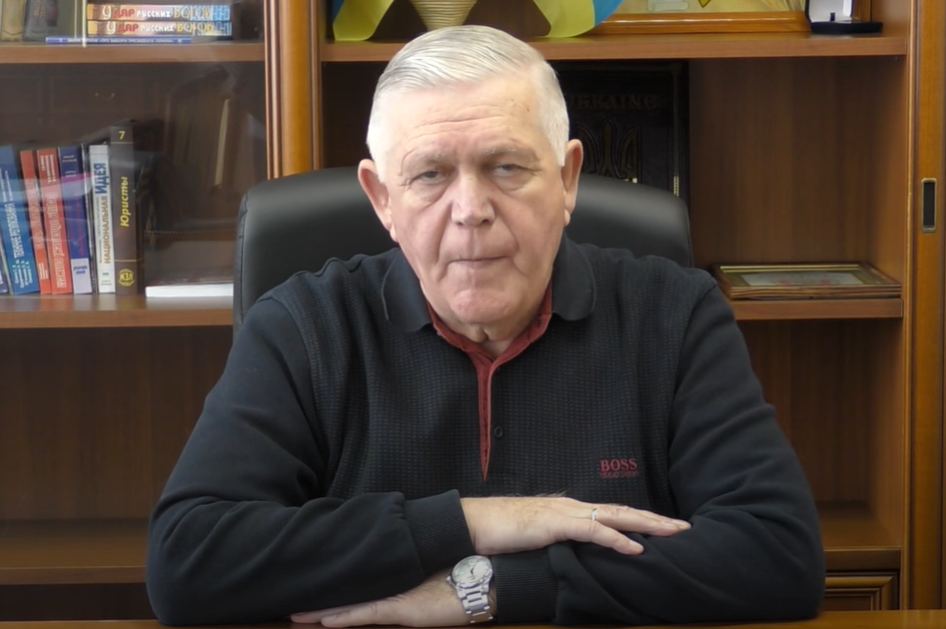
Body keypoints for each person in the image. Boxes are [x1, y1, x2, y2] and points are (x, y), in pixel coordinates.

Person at [146, 24, 824, 627]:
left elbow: (777, 554)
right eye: (430, 174)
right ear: (382, 199)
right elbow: (189, 563)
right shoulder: (303, 326)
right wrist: (478, 520)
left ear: (568, 179)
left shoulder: (675, 314)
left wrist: (491, 586)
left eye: (506, 167)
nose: (471, 208)